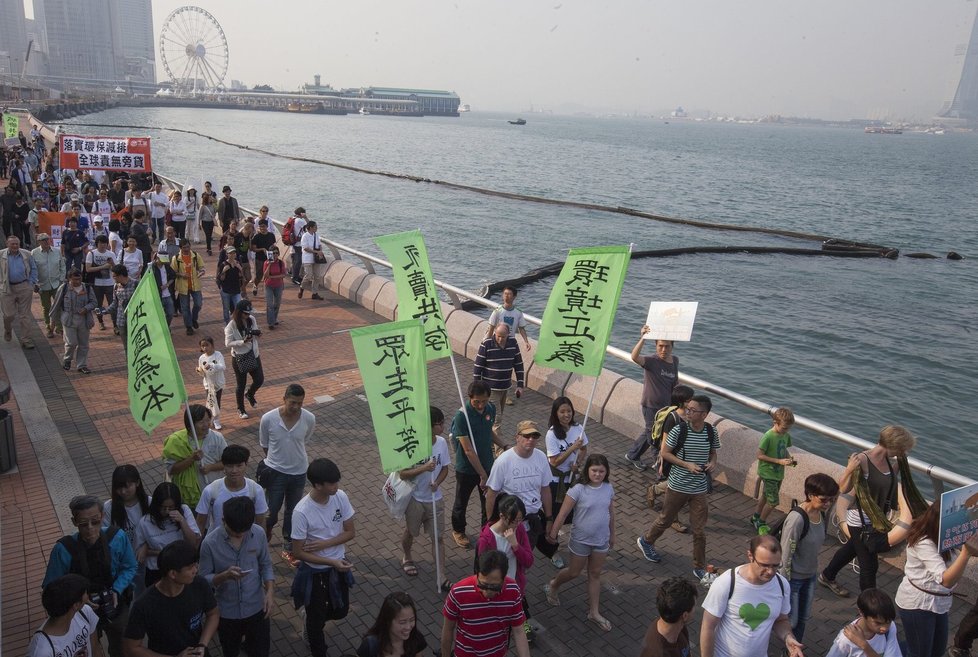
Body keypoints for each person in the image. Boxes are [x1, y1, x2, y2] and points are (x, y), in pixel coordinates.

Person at [820, 425, 918, 596]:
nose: (902, 452)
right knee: (869, 566)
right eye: (902, 448)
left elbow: (887, 479)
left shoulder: (888, 460)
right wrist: (850, 469)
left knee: (850, 550)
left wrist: (898, 465)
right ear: (894, 445)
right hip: (859, 521)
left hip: (876, 519)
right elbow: (842, 488)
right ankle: (869, 605)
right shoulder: (863, 460)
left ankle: (827, 575)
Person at [637, 394, 721, 586]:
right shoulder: (679, 430)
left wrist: (712, 463)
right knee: (665, 519)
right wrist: (687, 465)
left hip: (699, 488)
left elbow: (713, 453)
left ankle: (699, 566)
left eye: (693, 410)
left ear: (704, 414)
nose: (688, 412)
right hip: (677, 486)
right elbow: (665, 453)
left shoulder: (710, 432)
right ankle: (646, 541)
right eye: (688, 408)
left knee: (699, 531)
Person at [42, 495, 137, 657]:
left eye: (96, 521)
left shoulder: (117, 537)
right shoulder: (63, 549)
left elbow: (129, 566)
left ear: (103, 516)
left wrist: (117, 589)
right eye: (83, 524)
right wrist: (77, 600)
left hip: (116, 604)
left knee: (122, 647)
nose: (91, 528)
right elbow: (51, 589)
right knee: (91, 650)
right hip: (80, 611)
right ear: (74, 522)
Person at [290, 458, 356, 657]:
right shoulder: (301, 512)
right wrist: (330, 560)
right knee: (316, 625)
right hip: (315, 573)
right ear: (318, 485)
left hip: (338, 566)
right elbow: (299, 552)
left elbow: (350, 532)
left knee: (341, 610)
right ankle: (317, 644)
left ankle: (309, 617)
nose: (337, 487)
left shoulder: (340, 497)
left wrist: (325, 545)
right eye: (332, 483)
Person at [895, 502, 978, 657]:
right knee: (920, 652)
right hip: (918, 605)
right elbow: (946, 580)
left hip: (938, 604)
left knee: (936, 651)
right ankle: (890, 651)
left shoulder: (945, 535)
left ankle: (892, 650)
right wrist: (966, 553)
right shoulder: (924, 542)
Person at [545, 454, 616, 632]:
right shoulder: (578, 489)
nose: (598, 474)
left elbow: (611, 514)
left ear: (606, 472)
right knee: (574, 572)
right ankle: (554, 584)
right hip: (580, 540)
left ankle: (594, 612)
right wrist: (553, 533)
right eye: (594, 470)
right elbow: (562, 514)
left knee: (595, 574)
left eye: (601, 471)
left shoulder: (608, 488)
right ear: (588, 470)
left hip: (601, 540)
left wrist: (612, 534)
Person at [700, 535, 803, 657]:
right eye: (765, 565)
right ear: (750, 556)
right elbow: (708, 627)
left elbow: (781, 620)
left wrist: (788, 637)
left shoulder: (782, 585)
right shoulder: (727, 582)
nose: (770, 571)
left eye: (776, 565)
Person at [198, 497, 275, 657]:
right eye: (234, 532)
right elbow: (203, 578)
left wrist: (269, 591)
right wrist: (224, 576)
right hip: (227, 613)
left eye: (243, 532)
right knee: (230, 651)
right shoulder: (209, 543)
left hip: (256, 608)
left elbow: (266, 564)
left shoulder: (258, 534)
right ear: (223, 520)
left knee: (261, 652)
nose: (240, 535)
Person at [122, 540, 219, 657]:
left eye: (195, 564)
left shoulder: (199, 584)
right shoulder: (144, 605)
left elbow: (213, 614)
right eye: (190, 567)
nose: (196, 570)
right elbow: (132, 648)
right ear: (173, 574)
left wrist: (202, 645)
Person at [776, 473, 840, 644]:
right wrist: (784, 585)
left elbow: (842, 491)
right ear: (810, 495)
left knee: (803, 619)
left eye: (831, 500)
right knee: (792, 620)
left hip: (810, 575)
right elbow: (785, 554)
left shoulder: (821, 513)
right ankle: (789, 649)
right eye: (824, 499)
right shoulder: (797, 519)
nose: (828, 503)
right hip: (793, 579)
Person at [259, 383, 316, 565]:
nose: (296, 407)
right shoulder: (268, 419)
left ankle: (288, 546)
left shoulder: (309, 418)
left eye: (300, 403)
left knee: (293, 512)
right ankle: (266, 533)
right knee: (271, 511)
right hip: (275, 472)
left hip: (299, 473)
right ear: (284, 399)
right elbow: (264, 444)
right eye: (292, 402)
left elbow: (305, 440)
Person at [485, 419, 556, 561]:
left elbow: (545, 490)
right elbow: (491, 494)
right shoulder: (503, 461)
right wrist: (490, 524)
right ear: (517, 437)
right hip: (509, 525)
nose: (530, 439)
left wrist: (549, 518)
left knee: (523, 562)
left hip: (532, 524)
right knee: (505, 562)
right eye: (526, 436)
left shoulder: (541, 457)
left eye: (534, 436)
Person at [450, 380, 509, 549]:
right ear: (469, 398)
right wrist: (482, 475)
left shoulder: (490, 408)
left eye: (484, 400)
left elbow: (488, 431)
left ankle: (487, 530)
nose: (481, 404)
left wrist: (504, 445)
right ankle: (458, 530)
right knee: (461, 501)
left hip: (488, 465)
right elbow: (468, 450)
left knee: (488, 501)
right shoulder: (462, 416)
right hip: (467, 469)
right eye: (477, 401)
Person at [441, 549, 530, 657]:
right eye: (483, 585)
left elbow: (519, 631)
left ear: (504, 578)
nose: (487, 592)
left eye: (494, 587)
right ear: (477, 574)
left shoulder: (513, 590)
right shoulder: (458, 592)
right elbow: (448, 629)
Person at [398, 405, 451, 590]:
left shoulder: (442, 443)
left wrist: (437, 482)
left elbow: (445, 468)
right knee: (411, 532)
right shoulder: (411, 443)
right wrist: (424, 468)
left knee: (438, 537)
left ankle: (441, 575)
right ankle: (407, 556)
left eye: (443, 423)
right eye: (438, 424)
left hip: (435, 499)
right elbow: (402, 473)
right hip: (415, 499)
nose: (442, 428)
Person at [477, 495, 535, 641]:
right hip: (495, 590)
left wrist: (515, 545)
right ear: (502, 516)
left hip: (515, 587)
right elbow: (483, 570)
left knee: (517, 616)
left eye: (520, 520)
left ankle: (522, 623)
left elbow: (528, 561)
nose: (517, 524)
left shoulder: (519, 529)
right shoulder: (487, 539)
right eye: (514, 520)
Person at [625, 325, 679, 471]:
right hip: (650, 405)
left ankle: (632, 455)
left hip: (666, 407)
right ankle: (659, 465)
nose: (663, 350)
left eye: (667, 346)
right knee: (654, 437)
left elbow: (675, 382)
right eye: (660, 346)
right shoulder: (651, 361)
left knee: (650, 432)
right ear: (656, 346)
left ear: (672, 347)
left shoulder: (674, 360)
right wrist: (643, 337)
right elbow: (634, 357)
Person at [544, 395, 588, 567]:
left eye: (569, 411)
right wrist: (572, 448)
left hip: (572, 480)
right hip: (556, 481)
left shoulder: (578, 428)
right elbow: (554, 461)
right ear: (556, 413)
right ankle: (551, 551)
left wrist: (577, 463)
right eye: (562, 411)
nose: (566, 414)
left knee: (573, 514)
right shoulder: (551, 434)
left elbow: (584, 449)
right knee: (555, 517)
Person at [645, 385, 696, 534]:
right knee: (676, 492)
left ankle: (655, 489)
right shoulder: (672, 418)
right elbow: (664, 444)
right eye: (689, 400)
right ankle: (673, 520)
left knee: (677, 487)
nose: (692, 402)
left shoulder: (690, 416)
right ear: (681, 402)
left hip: (685, 458)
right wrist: (662, 462)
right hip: (673, 459)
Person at [134, 483, 201, 587]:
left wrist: (182, 521)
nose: (166, 511)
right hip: (156, 572)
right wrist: (152, 550)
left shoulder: (185, 510)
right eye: (163, 507)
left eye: (171, 507)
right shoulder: (145, 522)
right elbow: (139, 554)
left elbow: (193, 543)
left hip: (183, 569)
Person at [162, 404, 227, 508]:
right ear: (190, 424)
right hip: (187, 499)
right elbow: (171, 470)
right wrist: (192, 459)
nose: (206, 425)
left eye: (208, 420)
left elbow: (227, 462)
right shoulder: (176, 441)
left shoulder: (217, 437)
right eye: (201, 422)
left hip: (214, 494)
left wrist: (211, 467)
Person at [195, 444, 268, 534]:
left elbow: (260, 523)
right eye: (230, 466)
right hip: (218, 544)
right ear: (224, 467)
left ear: (246, 465)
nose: (234, 470)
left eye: (239, 466)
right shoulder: (210, 491)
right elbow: (200, 524)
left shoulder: (256, 490)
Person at [103, 465, 151, 598]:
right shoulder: (108, 508)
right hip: (121, 564)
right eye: (119, 487)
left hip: (145, 562)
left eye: (127, 486)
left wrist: (145, 546)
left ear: (138, 483)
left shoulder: (149, 503)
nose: (123, 491)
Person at [28, 574, 103, 657]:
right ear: (76, 605)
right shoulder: (42, 651)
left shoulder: (85, 612)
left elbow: (95, 649)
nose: (88, 597)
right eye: (86, 593)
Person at [751, 406, 796, 534]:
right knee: (773, 502)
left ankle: (756, 516)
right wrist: (779, 461)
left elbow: (784, 449)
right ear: (775, 423)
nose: (785, 431)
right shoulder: (768, 436)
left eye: (788, 428)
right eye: (784, 428)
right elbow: (759, 455)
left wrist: (788, 458)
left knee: (765, 496)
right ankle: (761, 522)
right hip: (768, 473)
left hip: (778, 473)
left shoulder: (785, 435)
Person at [473, 324, 524, 434]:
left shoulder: (513, 343)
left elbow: (518, 364)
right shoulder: (486, 344)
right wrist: (477, 389)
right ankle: (499, 450)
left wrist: (520, 385)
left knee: (492, 417)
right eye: (498, 336)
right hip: (490, 389)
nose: (500, 339)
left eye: (503, 337)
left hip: (505, 387)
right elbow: (478, 367)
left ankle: (487, 441)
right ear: (495, 333)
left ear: (508, 335)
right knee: (497, 419)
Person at [827, 588, 902, 657]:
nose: (884, 628)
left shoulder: (890, 627)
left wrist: (863, 645)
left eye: (888, 622)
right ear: (861, 612)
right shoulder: (845, 640)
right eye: (878, 623)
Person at [638, 576, 699, 657]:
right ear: (685, 616)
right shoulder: (658, 652)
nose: (695, 609)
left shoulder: (679, 626)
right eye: (694, 606)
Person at [52, 268, 97, 374]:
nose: (77, 282)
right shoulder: (63, 288)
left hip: (84, 320)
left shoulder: (87, 288)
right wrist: (52, 321)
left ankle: (82, 365)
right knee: (71, 343)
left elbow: (94, 302)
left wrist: (86, 308)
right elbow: (56, 305)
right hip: (68, 319)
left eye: (79, 279)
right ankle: (67, 360)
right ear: (69, 279)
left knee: (84, 344)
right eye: (75, 279)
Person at [225, 299, 264, 419]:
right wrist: (242, 341)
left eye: (249, 313)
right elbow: (228, 343)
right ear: (239, 312)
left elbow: (254, 332)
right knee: (241, 385)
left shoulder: (252, 319)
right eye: (245, 313)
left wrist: (257, 334)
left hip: (253, 354)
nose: (248, 315)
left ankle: (250, 394)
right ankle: (241, 409)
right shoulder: (231, 325)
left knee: (259, 379)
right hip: (240, 358)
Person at [356, 592, 428, 657]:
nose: (408, 627)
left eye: (412, 620)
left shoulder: (416, 638)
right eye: (402, 622)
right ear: (388, 621)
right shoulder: (371, 645)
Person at [0, 235, 38, 348]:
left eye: (17, 243)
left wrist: (31, 283)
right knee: (8, 315)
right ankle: (7, 329)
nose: (15, 246)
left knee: (25, 315)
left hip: (24, 287)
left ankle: (26, 339)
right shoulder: (1, 255)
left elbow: (34, 268)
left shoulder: (26, 254)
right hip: (7, 288)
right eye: (13, 244)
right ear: (7, 244)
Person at [32, 232, 66, 337]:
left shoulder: (56, 251)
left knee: (59, 306)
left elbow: (62, 266)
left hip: (57, 284)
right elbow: (32, 269)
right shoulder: (34, 253)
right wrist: (35, 283)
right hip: (43, 284)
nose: (46, 241)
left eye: (47, 239)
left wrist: (61, 280)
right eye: (43, 240)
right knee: (46, 307)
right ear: (39, 242)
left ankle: (59, 327)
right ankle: (48, 327)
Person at [172, 239, 205, 336]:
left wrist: (201, 272)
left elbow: (201, 267)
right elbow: (173, 272)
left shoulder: (195, 255)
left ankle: (194, 319)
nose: (186, 249)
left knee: (198, 304)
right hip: (183, 287)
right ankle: (189, 326)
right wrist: (181, 275)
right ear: (180, 248)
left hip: (195, 285)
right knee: (185, 308)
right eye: (184, 247)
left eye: (188, 246)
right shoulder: (176, 258)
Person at [100, 265, 137, 348]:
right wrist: (104, 311)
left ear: (120, 275)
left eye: (114, 276)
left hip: (134, 321)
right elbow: (115, 303)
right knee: (126, 347)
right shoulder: (116, 286)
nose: (113, 278)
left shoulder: (136, 284)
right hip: (121, 321)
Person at [85, 235, 116, 332]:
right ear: (97, 244)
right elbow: (88, 269)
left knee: (113, 304)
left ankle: (115, 325)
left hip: (110, 284)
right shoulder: (91, 254)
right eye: (100, 243)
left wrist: (112, 265)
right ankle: (101, 321)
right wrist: (104, 266)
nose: (102, 245)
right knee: (99, 305)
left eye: (104, 243)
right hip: (96, 284)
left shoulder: (111, 254)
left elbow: (116, 269)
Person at [485, 285, 531, 350]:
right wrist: (487, 342)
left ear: (514, 297)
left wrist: (526, 342)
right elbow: (491, 328)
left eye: (509, 294)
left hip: (510, 342)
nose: (506, 296)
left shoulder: (518, 313)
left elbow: (521, 328)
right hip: (497, 341)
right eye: (505, 294)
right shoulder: (497, 311)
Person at [196, 336, 226, 430]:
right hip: (208, 384)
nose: (205, 348)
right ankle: (210, 419)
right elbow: (203, 373)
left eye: (207, 345)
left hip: (218, 383)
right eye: (202, 346)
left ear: (212, 345)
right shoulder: (201, 358)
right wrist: (199, 371)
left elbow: (223, 367)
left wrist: (212, 366)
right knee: (211, 402)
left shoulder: (218, 355)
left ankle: (216, 420)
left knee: (217, 401)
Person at [298, 220, 326, 300]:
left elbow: (319, 244)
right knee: (308, 275)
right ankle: (301, 287)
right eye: (315, 227)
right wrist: (316, 251)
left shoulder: (316, 235)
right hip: (307, 259)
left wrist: (320, 251)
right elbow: (306, 248)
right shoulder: (305, 236)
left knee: (317, 276)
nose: (316, 228)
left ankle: (314, 293)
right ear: (310, 228)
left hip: (316, 259)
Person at [217, 246, 244, 325]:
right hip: (226, 290)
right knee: (226, 309)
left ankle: (237, 323)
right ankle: (227, 324)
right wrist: (224, 271)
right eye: (230, 253)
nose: (232, 255)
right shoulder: (224, 264)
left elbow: (242, 277)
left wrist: (240, 269)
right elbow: (221, 279)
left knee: (238, 308)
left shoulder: (237, 263)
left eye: (234, 253)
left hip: (236, 290)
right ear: (227, 254)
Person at [250, 218, 276, 296]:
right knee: (259, 275)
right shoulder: (256, 237)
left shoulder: (271, 235)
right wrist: (262, 249)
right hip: (259, 258)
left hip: (270, 257)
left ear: (267, 226)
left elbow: (273, 246)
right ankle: (255, 285)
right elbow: (253, 249)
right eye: (260, 226)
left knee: (270, 274)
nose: (262, 228)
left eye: (264, 226)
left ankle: (268, 289)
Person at [149, 252, 176, 327]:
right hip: (156, 295)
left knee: (170, 313)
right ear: (158, 258)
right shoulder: (151, 267)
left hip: (167, 295)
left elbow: (173, 276)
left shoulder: (167, 266)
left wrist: (167, 284)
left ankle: (166, 328)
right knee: (157, 315)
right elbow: (147, 280)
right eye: (163, 260)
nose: (164, 262)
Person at [262, 246, 286, 328]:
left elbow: (283, 274)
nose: (275, 255)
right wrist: (269, 265)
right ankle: (270, 323)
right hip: (268, 285)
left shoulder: (281, 263)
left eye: (276, 253)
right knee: (270, 305)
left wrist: (272, 277)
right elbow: (265, 275)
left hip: (278, 285)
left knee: (277, 304)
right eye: (273, 253)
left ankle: (274, 319)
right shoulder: (266, 263)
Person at [287, 207, 307, 285]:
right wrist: (305, 217)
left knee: (295, 260)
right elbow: (309, 226)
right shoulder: (300, 220)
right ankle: (295, 278)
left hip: (293, 242)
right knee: (298, 261)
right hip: (298, 243)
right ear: (301, 213)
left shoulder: (293, 219)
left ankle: (295, 275)